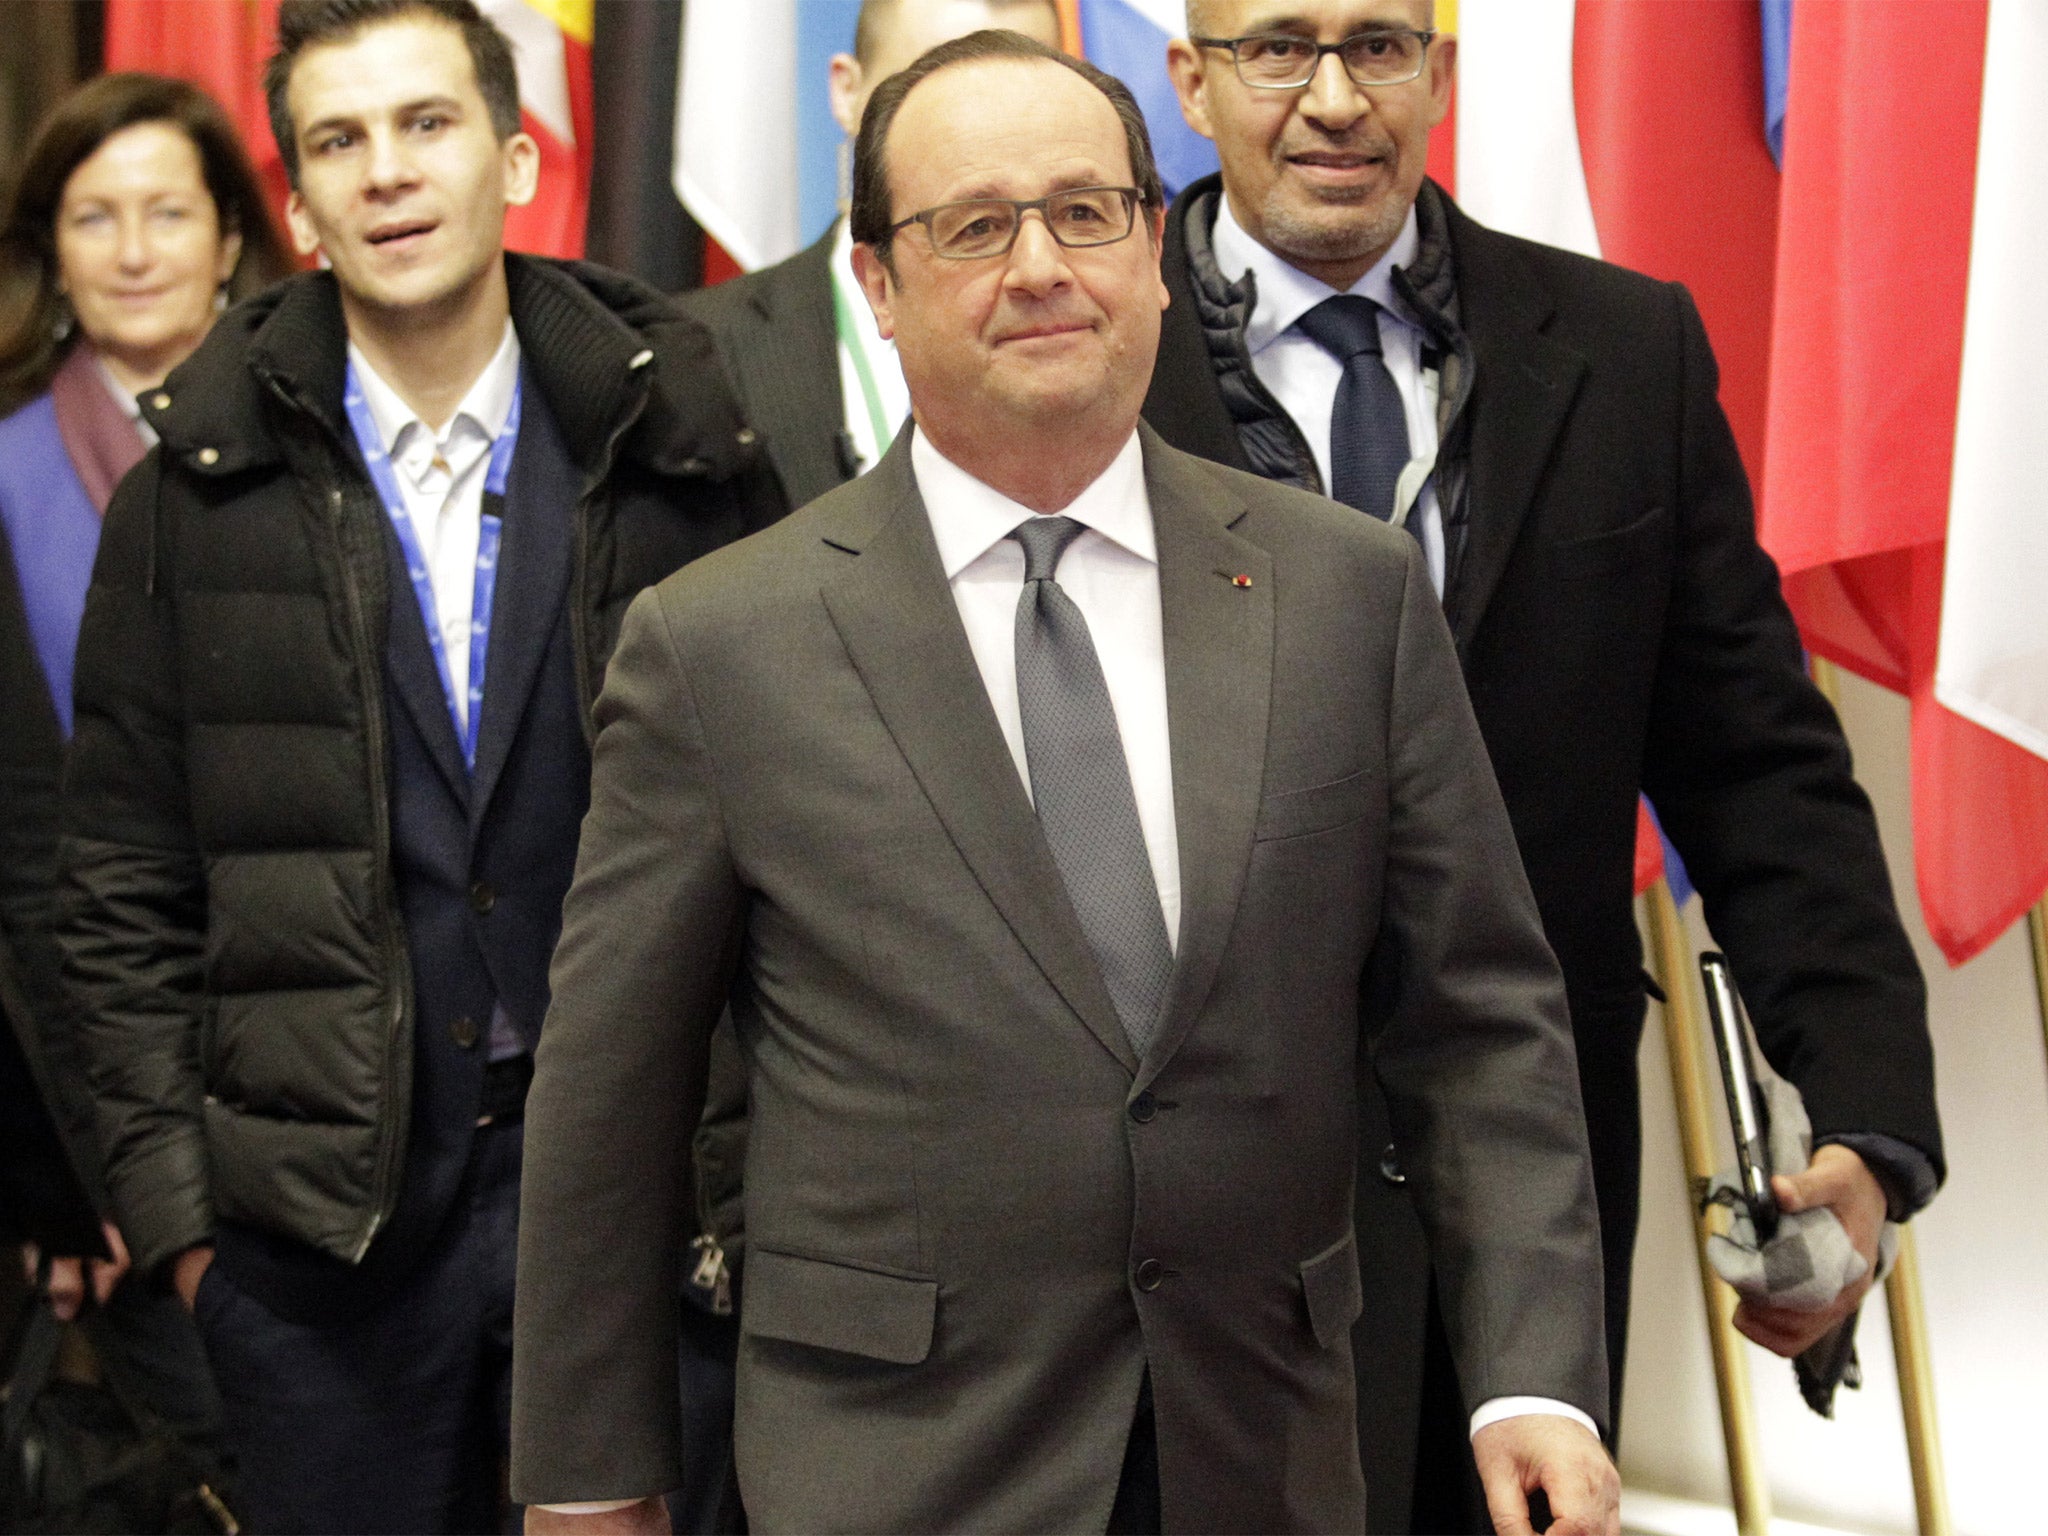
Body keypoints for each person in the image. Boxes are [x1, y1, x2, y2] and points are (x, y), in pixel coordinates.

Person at [513, 29, 1619, 1536]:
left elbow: (1482, 1022)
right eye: (975, 226)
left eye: (1086, 213)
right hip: (900, 1467)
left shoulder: (1342, 594)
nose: (1041, 265)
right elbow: (610, 1105)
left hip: (1265, 1450)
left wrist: (1534, 1380)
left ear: (1156, 254)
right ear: (879, 286)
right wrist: (592, 1478)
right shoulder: (723, 647)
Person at [1141, 3, 1945, 1529]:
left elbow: (1761, 770)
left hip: (1524, 1192)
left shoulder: (1625, 351)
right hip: (1180, 1203)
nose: (1333, 98)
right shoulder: (1088, 360)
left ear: (1441, 72)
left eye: (1379, 43)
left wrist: (1868, 1125)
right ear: (1190, 79)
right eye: (1278, 46)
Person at [56, 2, 780, 1530]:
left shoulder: (679, 443)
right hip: (317, 1267)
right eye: (340, 141)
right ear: (302, 208)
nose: (387, 171)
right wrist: (189, 1237)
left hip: (643, 1225)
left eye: (427, 125)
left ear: (519, 159)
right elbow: (114, 895)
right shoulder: (194, 492)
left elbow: (800, 844)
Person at [0, 69, 294, 1490]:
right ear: (49, 246)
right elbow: (19, 855)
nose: (130, 249)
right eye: (92, 215)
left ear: (232, 235)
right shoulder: (0, 479)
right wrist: (79, 1163)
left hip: (335, 1069)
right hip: (116, 1104)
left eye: (166, 212)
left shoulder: (330, 444)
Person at [677, 0, 1063, 510]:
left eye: (1027, 98)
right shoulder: (695, 352)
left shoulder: (1126, 327)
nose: (988, 138)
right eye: (939, 92)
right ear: (847, 92)